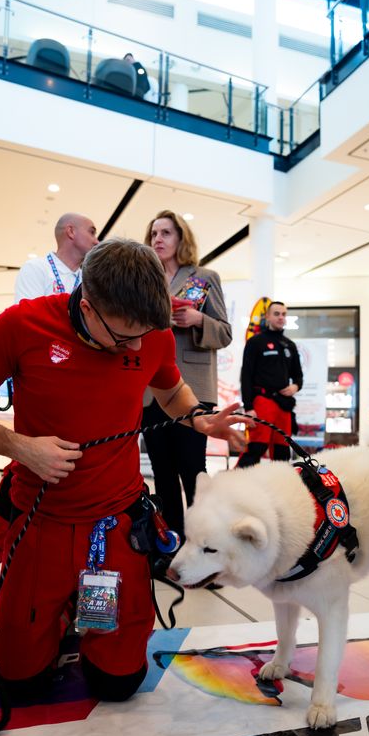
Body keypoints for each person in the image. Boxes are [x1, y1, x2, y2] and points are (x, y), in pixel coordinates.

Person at [0, 237, 246, 702]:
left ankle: (84, 619)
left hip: (114, 526)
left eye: (145, 335)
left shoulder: (152, 333)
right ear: (87, 306)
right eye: (124, 338)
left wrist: (198, 417)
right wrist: (22, 447)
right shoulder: (21, 325)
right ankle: (59, 617)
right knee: (20, 684)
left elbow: (169, 390)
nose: (137, 345)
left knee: (119, 684)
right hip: (40, 521)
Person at [0, 212, 99, 597]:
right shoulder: (37, 270)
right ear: (70, 231)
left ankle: (76, 570)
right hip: (44, 389)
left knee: (85, 480)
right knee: (22, 474)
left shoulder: (93, 278)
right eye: (91, 230)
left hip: (89, 394)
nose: (96, 237)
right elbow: (31, 326)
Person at [142, 210, 232, 540]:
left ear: (181, 238)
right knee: (161, 471)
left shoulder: (205, 278)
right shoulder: (145, 282)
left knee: (193, 469)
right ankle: (172, 542)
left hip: (193, 389)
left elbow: (224, 333)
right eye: (154, 234)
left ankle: (205, 541)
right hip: (150, 388)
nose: (158, 239)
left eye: (166, 233)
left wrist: (198, 320)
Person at [236, 300, 303, 468]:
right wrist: (248, 407)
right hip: (262, 402)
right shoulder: (255, 342)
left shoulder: (290, 345)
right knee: (256, 448)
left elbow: (298, 376)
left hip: (284, 406)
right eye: (277, 314)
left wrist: (295, 387)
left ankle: (279, 483)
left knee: (282, 453)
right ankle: (236, 481)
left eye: (284, 314)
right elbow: (246, 376)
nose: (281, 317)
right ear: (267, 317)